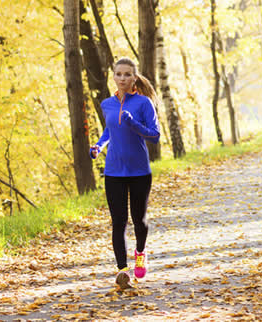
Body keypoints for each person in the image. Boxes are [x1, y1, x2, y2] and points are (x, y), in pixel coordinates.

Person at [90, 57, 160, 289]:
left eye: (127, 74)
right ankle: (122, 271)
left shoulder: (144, 104)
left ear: (134, 77)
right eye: (118, 74)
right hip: (113, 172)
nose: (122, 78)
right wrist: (98, 146)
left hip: (139, 170)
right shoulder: (107, 104)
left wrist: (134, 124)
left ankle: (140, 253)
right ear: (113, 76)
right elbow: (109, 131)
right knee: (118, 221)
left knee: (139, 220)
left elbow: (154, 135)